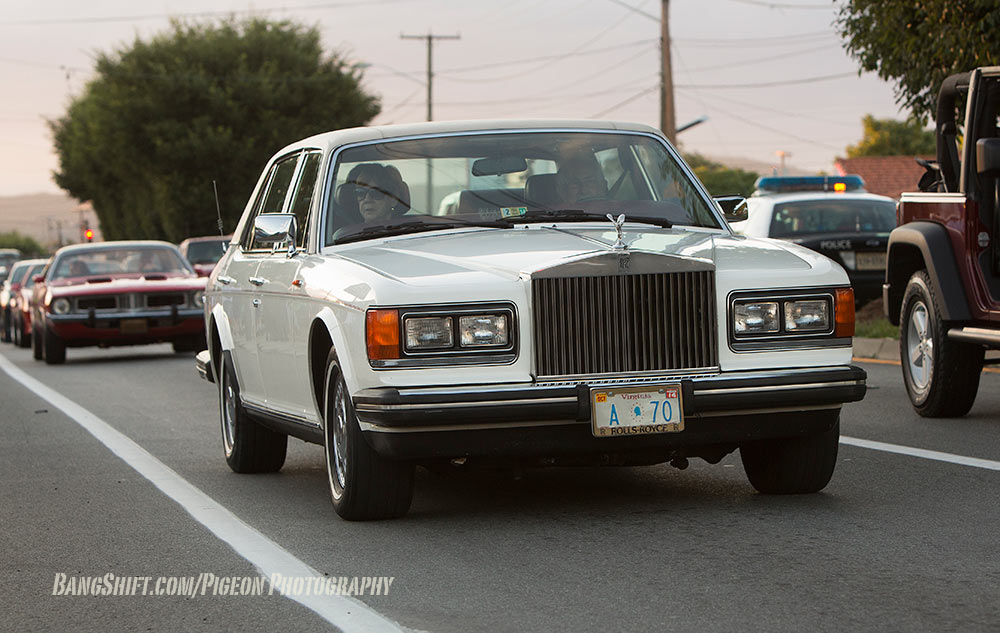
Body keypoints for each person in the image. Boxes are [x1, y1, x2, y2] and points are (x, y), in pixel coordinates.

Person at [342, 163, 409, 223]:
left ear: (393, 199)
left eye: (376, 193)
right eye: (360, 193)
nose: (367, 199)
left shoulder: (411, 230)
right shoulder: (346, 234)